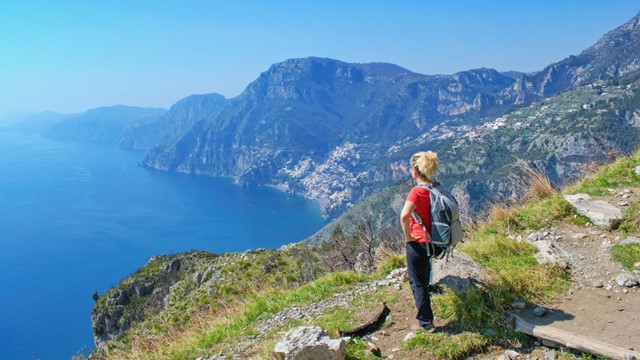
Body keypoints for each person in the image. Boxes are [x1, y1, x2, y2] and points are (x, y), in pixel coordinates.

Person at [399, 150, 439, 333]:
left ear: (415, 171)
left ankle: (426, 322)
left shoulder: (416, 192)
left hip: (418, 242)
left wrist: (408, 237)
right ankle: (429, 296)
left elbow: (404, 216)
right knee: (425, 274)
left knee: (417, 283)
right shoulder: (435, 188)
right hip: (434, 241)